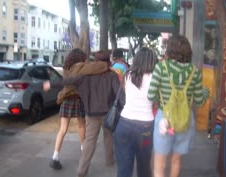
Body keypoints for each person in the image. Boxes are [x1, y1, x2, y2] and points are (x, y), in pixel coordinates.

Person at [43, 50, 124, 177]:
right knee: (108, 135)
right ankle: (109, 160)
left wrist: (50, 84)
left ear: (96, 61)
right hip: (107, 113)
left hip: (91, 114)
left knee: (89, 143)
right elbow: (120, 95)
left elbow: (67, 81)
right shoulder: (112, 75)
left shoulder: (85, 76)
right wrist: (122, 108)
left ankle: (81, 170)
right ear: (108, 62)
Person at [147, 35, 209, 177]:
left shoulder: (161, 68)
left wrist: (162, 99)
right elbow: (199, 101)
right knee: (176, 160)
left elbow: (150, 96)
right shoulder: (195, 72)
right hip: (185, 120)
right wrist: (206, 92)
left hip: (165, 121)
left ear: (170, 50)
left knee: (159, 163)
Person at [50, 48, 109, 170]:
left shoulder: (66, 68)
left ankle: (55, 156)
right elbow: (101, 67)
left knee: (62, 129)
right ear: (80, 58)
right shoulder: (81, 67)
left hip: (66, 100)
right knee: (82, 126)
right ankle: (84, 153)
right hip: (77, 99)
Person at [114, 47, 158, 177]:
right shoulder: (155, 78)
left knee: (123, 169)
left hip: (124, 125)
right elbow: (155, 103)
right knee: (144, 168)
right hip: (145, 130)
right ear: (152, 61)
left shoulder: (127, 75)